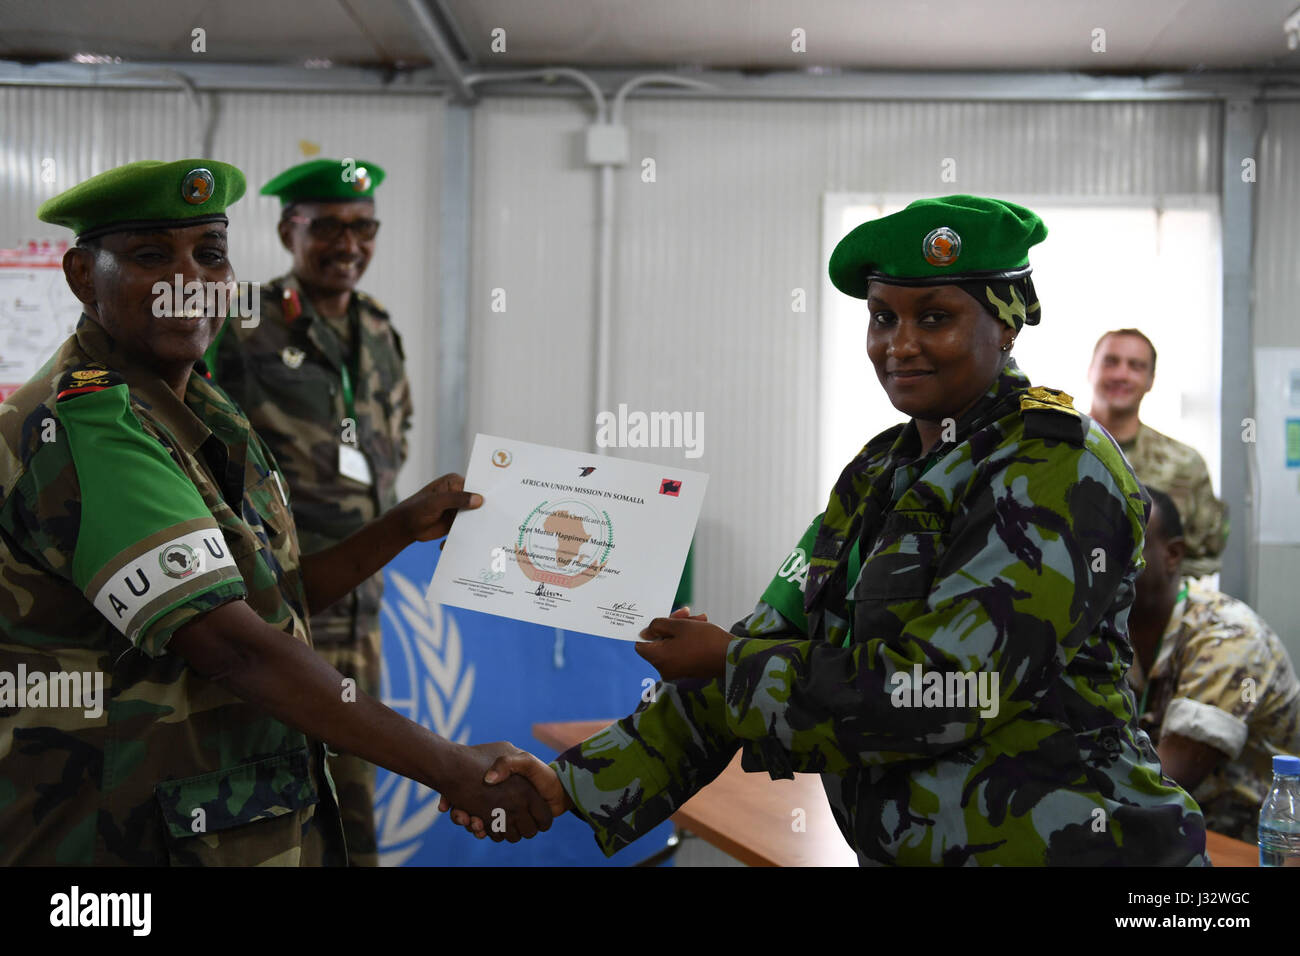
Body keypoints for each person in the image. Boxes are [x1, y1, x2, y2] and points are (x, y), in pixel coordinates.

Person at [446, 196, 1210, 865]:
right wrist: (565, 785)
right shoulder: (881, 470)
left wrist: (734, 661)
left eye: (935, 317)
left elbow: (948, 688)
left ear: (1005, 326)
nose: (899, 344)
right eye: (883, 318)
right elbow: (755, 648)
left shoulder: (1055, 463)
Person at [0, 159, 552, 865]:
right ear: (82, 275)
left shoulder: (198, 406)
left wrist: (399, 527)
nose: (188, 282)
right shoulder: (91, 425)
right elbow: (231, 644)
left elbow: (270, 601)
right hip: (116, 836)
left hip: (211, 816)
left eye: (210, 255)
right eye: (148, 257)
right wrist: (453, 768)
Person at [207, 157, 410, 865]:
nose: (347, 244)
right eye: (326, 226)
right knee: (275, 798)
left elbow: (394, 440)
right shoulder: (244, 322)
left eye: (362, 227)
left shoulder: (380, 330)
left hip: (363, 608)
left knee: (353, 786)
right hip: (277, 604)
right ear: (289, 230)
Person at [1128, 486, 1300, 843]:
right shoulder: (1110, 634)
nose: (1102, 562)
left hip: (1262, 844)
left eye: (1126, 544)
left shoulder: (1229, 633)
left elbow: (1164, 785)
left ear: (1173, 554)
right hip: (1182, 837)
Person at [1087, 328, 1227, 578]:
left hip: (1152, 612)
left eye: (1136, 366)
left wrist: (1152, 579)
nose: (1121, 374)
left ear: (1151, 380)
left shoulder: (1185, 464)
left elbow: (1207, 554)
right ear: (1091, 369)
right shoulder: (1054, 450)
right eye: (1111, 362)